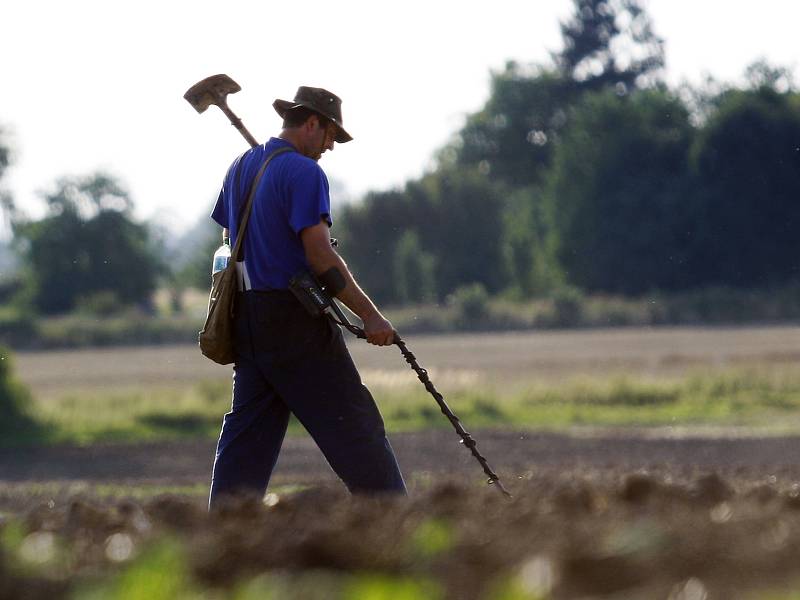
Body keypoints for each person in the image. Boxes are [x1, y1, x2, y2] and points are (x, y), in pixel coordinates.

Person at [207, 86, 407, 508]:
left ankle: (224, 525)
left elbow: (229, 239)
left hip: (248, 319)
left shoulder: (241, 166)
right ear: (312, 123)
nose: (331, 147)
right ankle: (394, 518)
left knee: (248, 439)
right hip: (292, 320)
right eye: (331, 135)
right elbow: (320, 257)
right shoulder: (304, 173)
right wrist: (371, 316)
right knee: (353, 425)